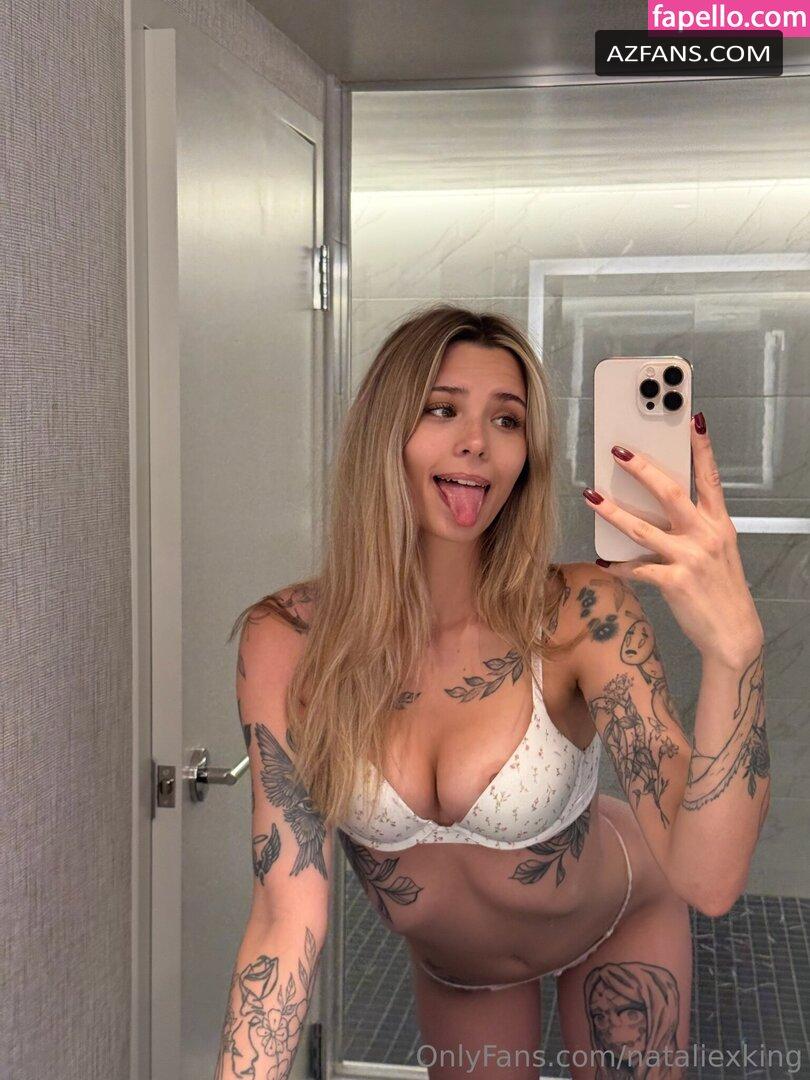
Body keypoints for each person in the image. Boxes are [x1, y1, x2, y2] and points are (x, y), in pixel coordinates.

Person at [215, 305, 769, 1079]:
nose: (478, 440)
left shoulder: (582, 614)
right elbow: (285, 915)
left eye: (506, 420)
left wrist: (735, 655)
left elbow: (709, 882)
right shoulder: (287, 641)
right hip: (461, 972)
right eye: (443, 409)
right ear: (382, 433)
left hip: (618, 918)